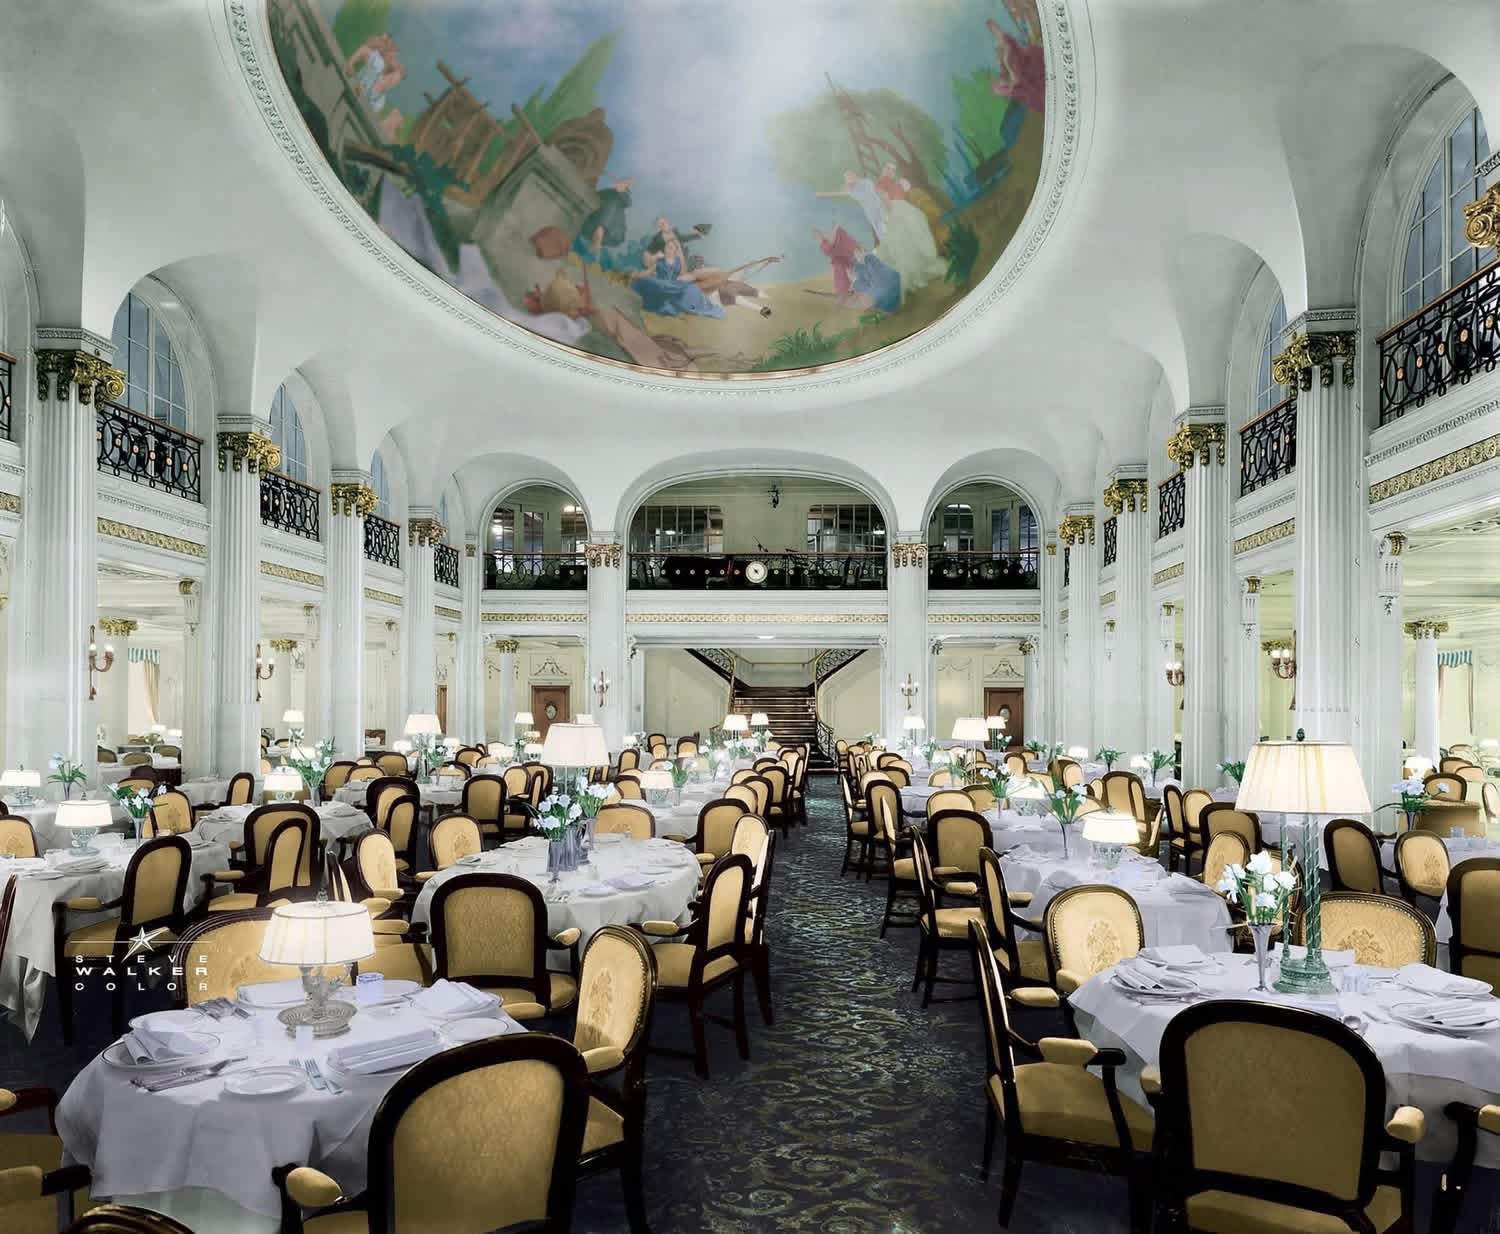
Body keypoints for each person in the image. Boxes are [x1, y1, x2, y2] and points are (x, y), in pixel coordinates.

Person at [630, 217, 724, 319]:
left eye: (664, 223)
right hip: (663, 284)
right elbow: (648, 271)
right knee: (653, 283)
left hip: (675, 284)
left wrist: (697, 235)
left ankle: (697, 305)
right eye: (666, 247)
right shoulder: (659, 258)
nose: (668, 249)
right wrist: (637, 274)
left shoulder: (678, 261)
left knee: (692, 289)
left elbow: (683, 272)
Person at [873, 180, 945, 301]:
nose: (879, 197)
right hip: (899, 248)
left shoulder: (905, 209)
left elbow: (920, 234)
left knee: (904, 269)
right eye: (878, 194)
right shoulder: (889, 211)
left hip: (913, 252)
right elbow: (888, 239)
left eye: (881, 193)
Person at [816, 170, 886, 246]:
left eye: (850, 175)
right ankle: (886, 242)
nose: (849, 177)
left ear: (854, 174)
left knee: (885, 223)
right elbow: (835, 193)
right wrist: (821, 194)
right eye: (847, 177)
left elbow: (877, 192)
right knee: (880, 229)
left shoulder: (866, 181)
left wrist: (884, 198)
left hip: (880, 206)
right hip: (871, 212)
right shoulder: (852, 190)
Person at [574, 177, 634, 263]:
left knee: (613, 202)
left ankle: (599, 235)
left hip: (612, 228)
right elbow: (596, 196)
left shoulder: (624, 197)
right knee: (610, 203)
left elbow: (628, 203)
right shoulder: (608, 191)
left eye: (626, 184)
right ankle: (598, 235)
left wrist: (621, 190)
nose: (623, 185)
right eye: (623, 182)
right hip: (597, 219)